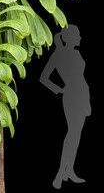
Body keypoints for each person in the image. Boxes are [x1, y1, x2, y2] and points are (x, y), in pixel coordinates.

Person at [39, 24, 91, 189]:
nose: (80, 38)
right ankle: (61, 172)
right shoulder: (58, 55)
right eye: (78, 35)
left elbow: (82, 81)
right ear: (70, 38)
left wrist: (87, 101)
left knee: (76, 136)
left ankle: (69, 171)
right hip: (71, 96)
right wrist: (59, 90)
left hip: (82, 95)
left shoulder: (76, 53)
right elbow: (44, 78)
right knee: (72, 134)